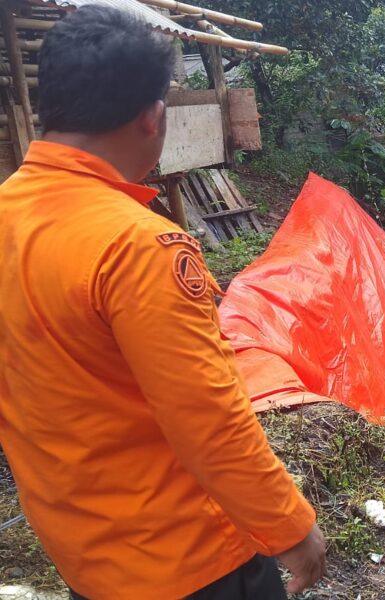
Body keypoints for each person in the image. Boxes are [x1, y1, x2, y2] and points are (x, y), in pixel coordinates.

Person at [0, 7, 325, 599]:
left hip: (84, 557)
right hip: (187, 562)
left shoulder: (8, 216)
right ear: (153, 117)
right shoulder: (136, 246)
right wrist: (290, 526)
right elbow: (208, 419)